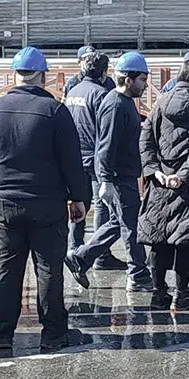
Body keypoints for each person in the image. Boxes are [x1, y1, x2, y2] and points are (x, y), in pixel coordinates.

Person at [0, 47, 92, 350]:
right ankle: (53, 334)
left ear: (15, 74)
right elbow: (71, 159)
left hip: (5, 202)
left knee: (7, 268)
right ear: (42, 75)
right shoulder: (54, 110)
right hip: (47, 202)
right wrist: (79, 198)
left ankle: (2, 334)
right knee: (49, 268)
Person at [138, 52, 189, 311]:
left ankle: (158, 293)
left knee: (159, 237)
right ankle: (181, 295)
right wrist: (183, 176)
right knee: (185, 238)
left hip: (160, 181)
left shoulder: (160, 103)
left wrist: (153, 171)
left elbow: (145, 140)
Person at [68, 52, 153, 291]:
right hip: (117, 176)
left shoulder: (123, 103)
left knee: (118, 222)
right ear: (128, 79)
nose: (146, 85)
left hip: (123, 174)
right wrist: (105, 179)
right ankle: (138, 274)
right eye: (142, 80)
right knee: (130, 225)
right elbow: (105, 145)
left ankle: (81, 257)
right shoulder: (115, 105)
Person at [61, 46, 114, 263]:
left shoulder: (74, 91)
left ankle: (74, 248)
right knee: (101, 205)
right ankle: (99, 254)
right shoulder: (101, 94)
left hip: (75, 155)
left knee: (79, 202)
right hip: (95, 156)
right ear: (104, 72)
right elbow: (106, 131)